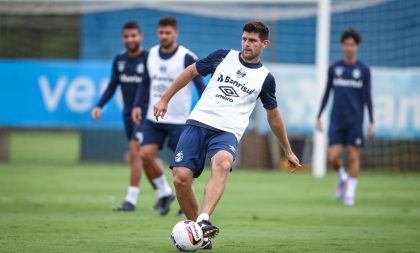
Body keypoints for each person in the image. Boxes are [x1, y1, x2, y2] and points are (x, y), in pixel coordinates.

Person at [153, 21, 301, 249]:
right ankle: (199, 236)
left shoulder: (265, 78)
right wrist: (165, 98)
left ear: (265, 43)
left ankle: (203, 219)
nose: (246, 44)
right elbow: (191, 72)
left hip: (227, 131)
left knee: (222, 163)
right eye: (244, 38)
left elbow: (273, 116)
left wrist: (288, 150)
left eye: (252, 40)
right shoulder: (223, 56)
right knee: (181, 179)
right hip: (198, 122)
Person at [132, 16, 206, 216]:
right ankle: (164, 193)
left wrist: (202, 109)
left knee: (182, 167)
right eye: (161, 33)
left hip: (180, 120)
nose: (164, 36)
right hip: (153, 117)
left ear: (176, 33)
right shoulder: (150, 55)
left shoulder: (187, 56)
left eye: (168, 33)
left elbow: (201, 86)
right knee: (145, 154)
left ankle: (186, 204)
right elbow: (145, 83)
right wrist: (138, 105)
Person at [91, 21, 158, 212]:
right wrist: (99, 105)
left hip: (146, 113)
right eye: (126, 36)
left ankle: (131, 200)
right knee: (144, 158)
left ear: (141, 37)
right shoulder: (119, 60)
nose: (130, 39)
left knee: (134, 150)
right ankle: (165, 194)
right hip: (128, 114)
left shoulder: (150, 59)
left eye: (133, 36)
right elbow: (113, 85)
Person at [316, 28, 375, 206]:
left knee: (353, 155)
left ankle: (350, 194)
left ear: (356, 46)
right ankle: (343, 178)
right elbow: (327, 92)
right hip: (336, 119)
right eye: (346, 44)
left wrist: (372, 121)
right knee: (333, 157)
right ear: (342, 46)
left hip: (355, 120)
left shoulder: (363, 70)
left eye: (352, 44)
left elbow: (367, 97)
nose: (349, 47)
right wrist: (319, 116)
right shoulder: (335, 68)